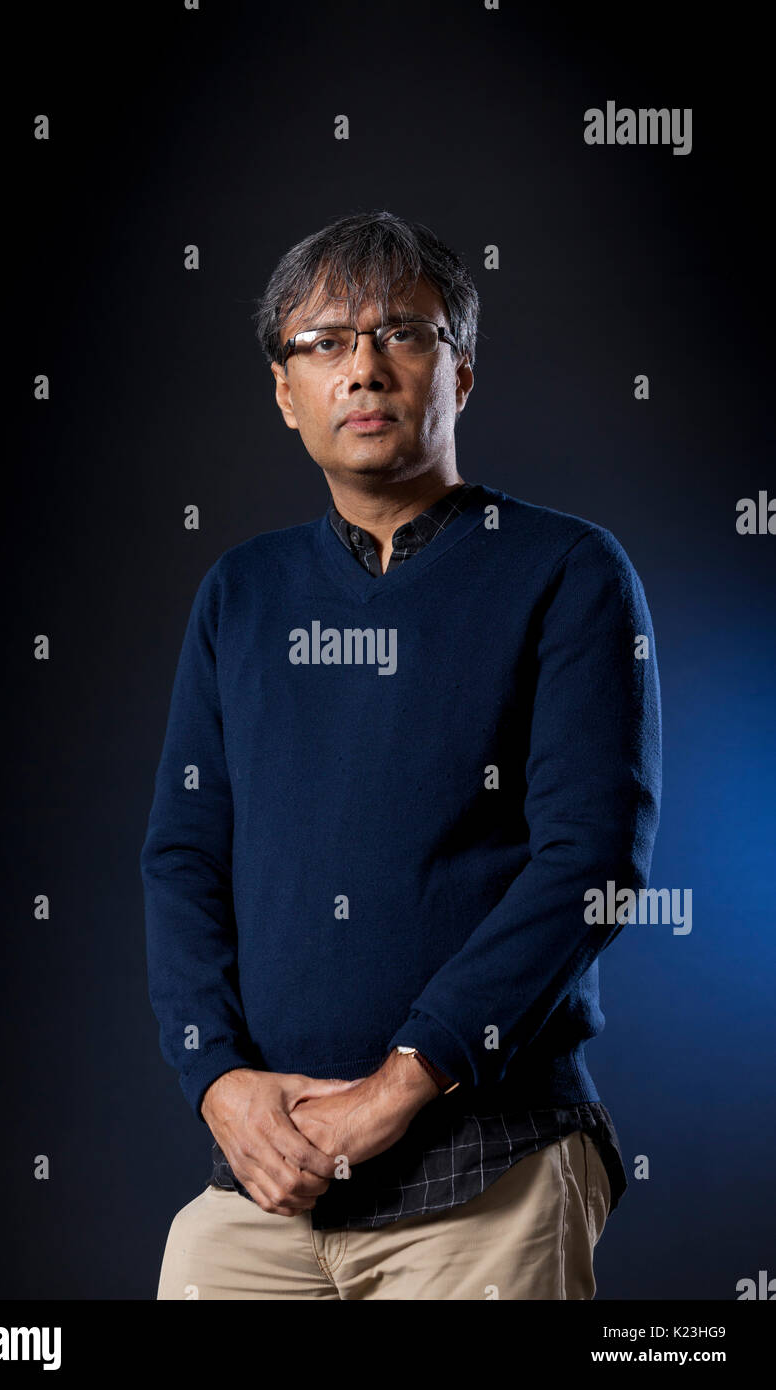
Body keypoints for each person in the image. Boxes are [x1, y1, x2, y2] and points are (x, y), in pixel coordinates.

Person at [140, 209, 662, 1300]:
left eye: (402, 334)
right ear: (285, 393)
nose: (363, 367)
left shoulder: (566, 571)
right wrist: (219, 1084)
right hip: (271, 1177)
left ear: (459, 373)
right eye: (323, 342)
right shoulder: (240, 594)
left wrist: (397, 1084)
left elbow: (591, 861)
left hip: (491, 1170)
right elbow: (183, 858)